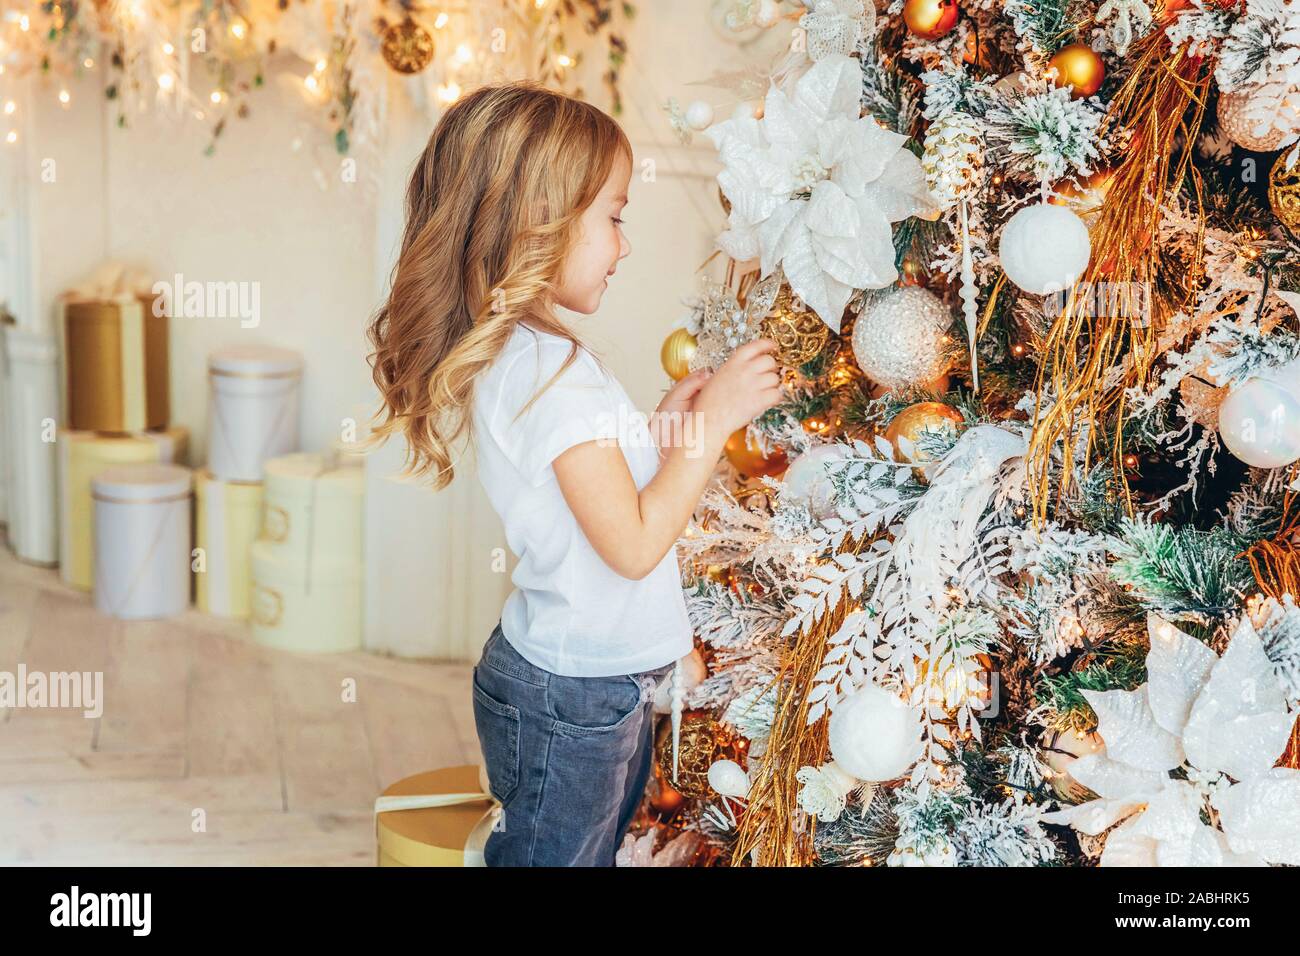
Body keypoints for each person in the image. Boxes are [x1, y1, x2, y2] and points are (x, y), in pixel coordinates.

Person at [365, 82, 781, 865]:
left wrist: (666, 431)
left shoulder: (536, 359)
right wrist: (713, 426)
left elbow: (598, 494)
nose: (624, 244)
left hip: (589, 687)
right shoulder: (551, 373)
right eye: (614, 218)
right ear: (541, 223)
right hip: (572, 701)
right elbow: (629, 544)